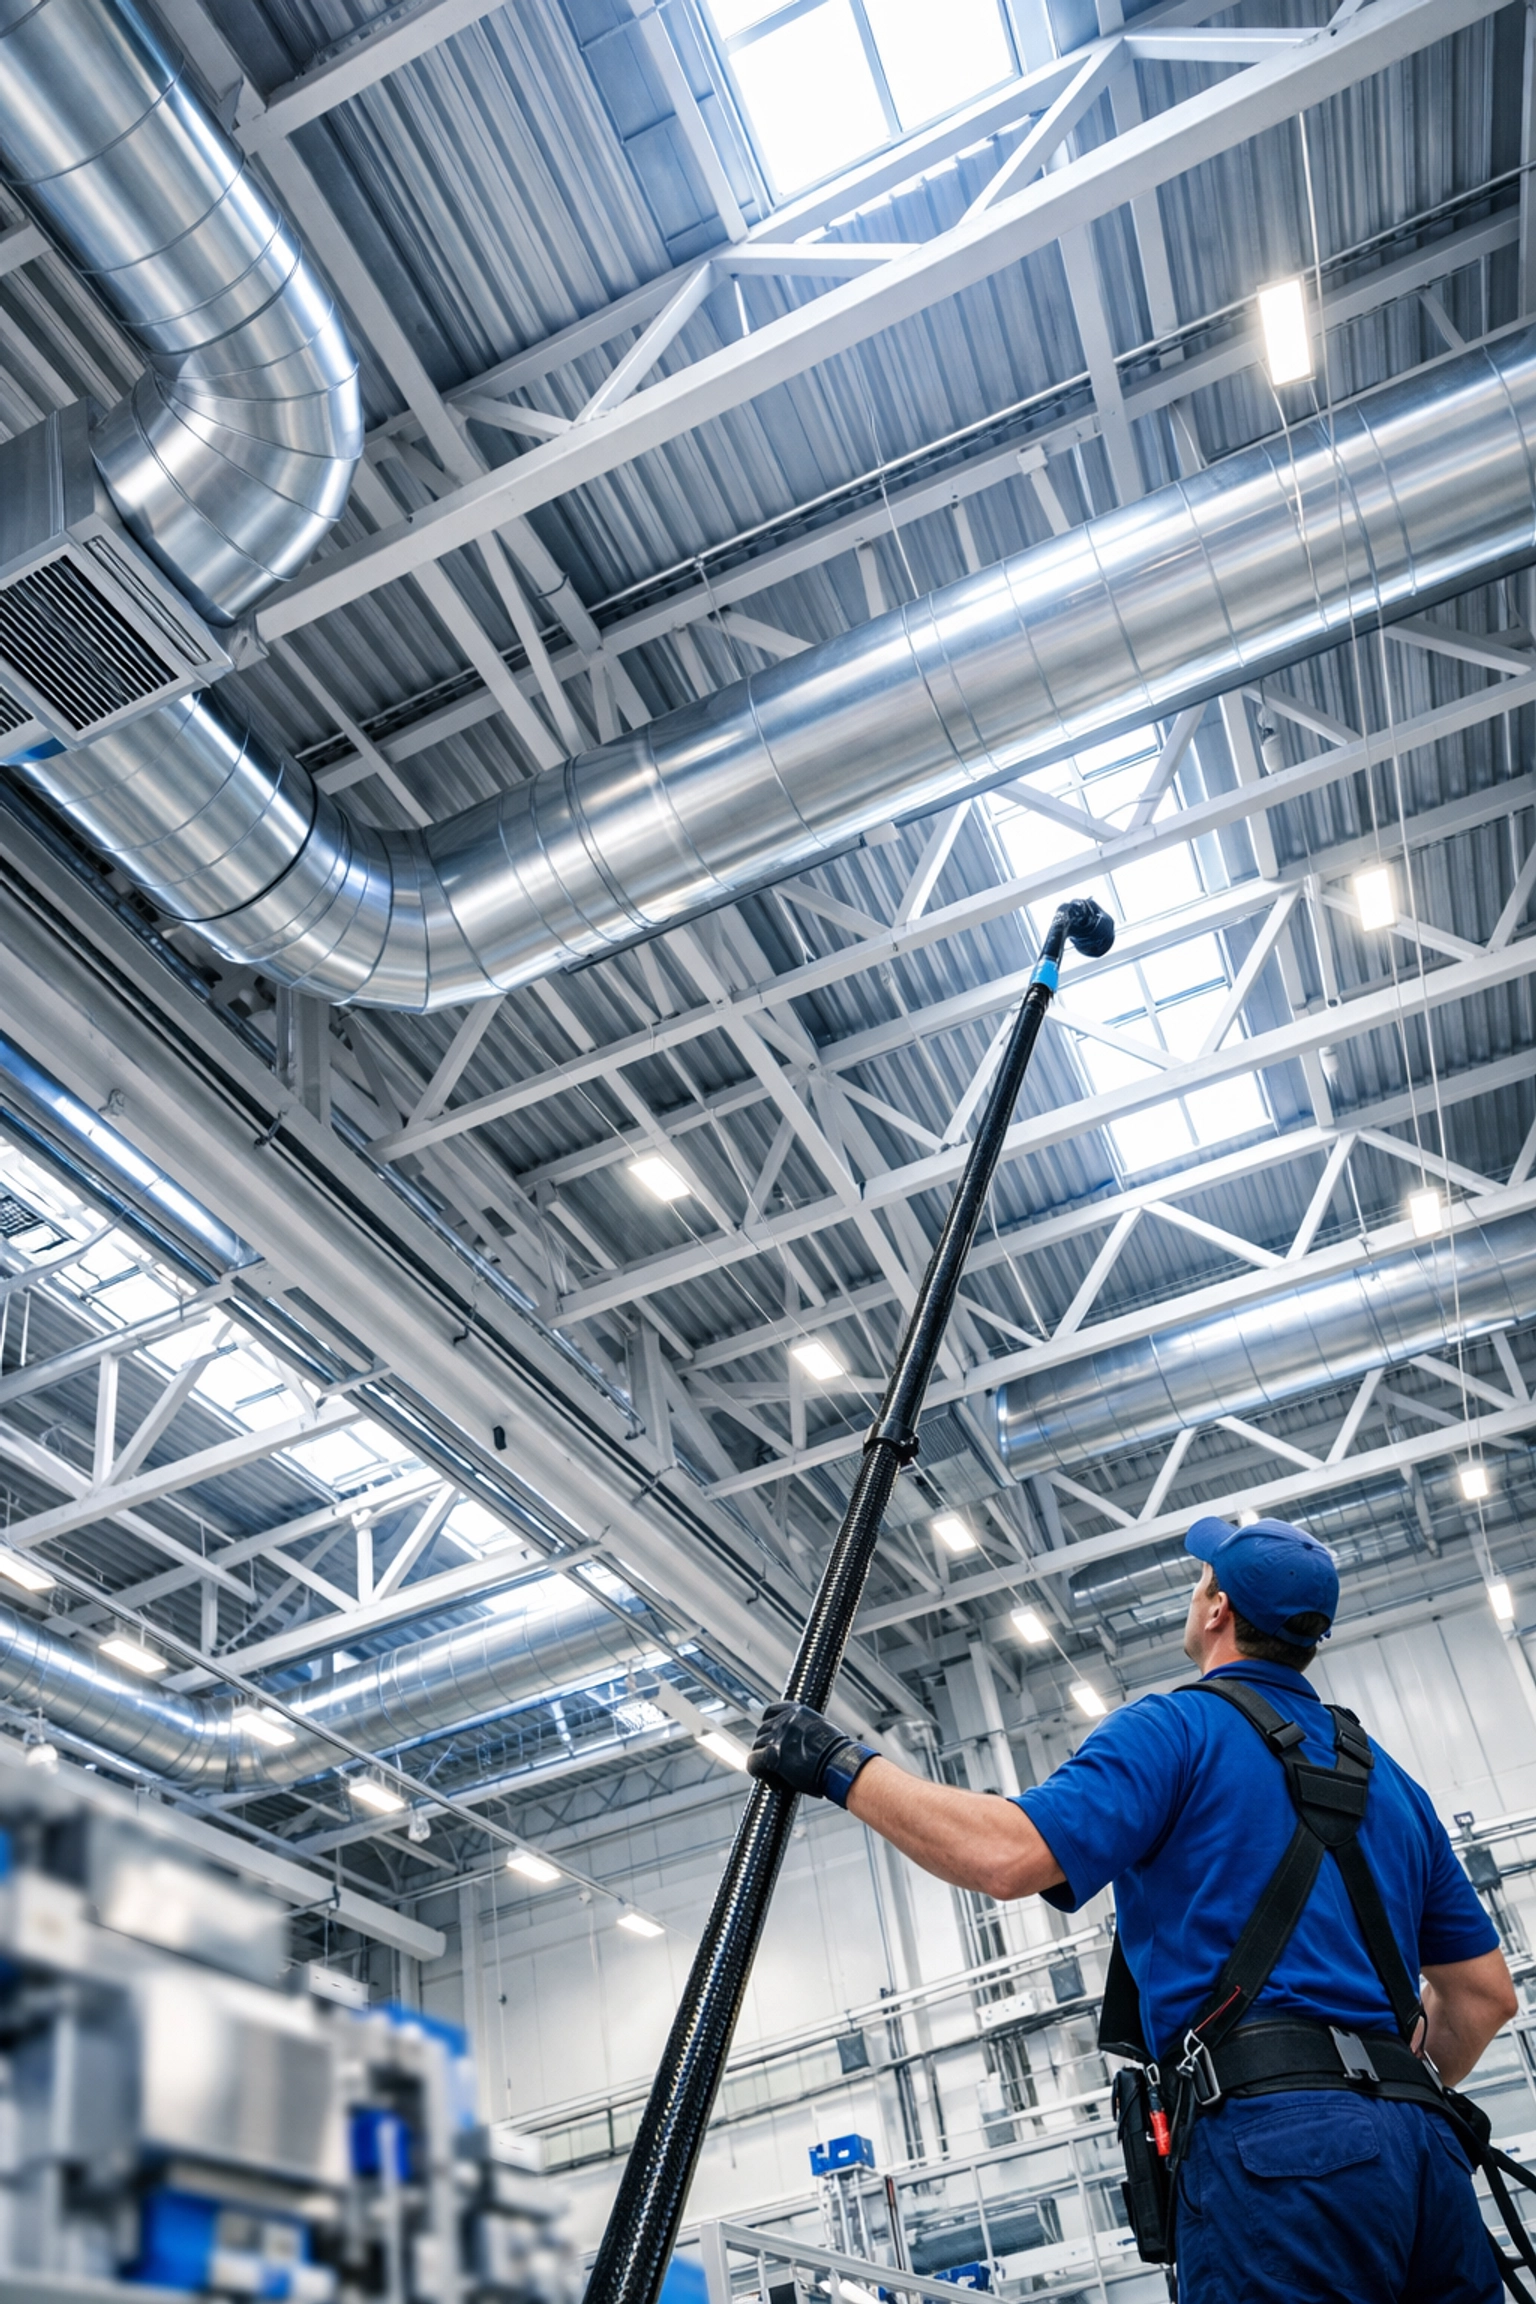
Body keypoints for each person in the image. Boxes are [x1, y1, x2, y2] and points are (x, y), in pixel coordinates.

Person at [747, 1515, 1518, 2304]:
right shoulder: (1389, 1781)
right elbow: (1486, 1997)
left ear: (1216, 1608)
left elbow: (1008, 1855)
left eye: (1200, 1579)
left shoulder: (1176, 1730)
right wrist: (1387, 2099)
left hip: (1279, 2155)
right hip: (1429, 2160)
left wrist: (841, 1767)